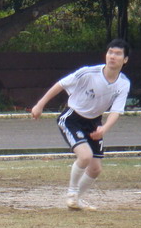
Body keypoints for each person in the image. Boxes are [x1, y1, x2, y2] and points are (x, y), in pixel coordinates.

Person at [31, 38, 131, 210]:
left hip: (94, 122)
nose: (112, 56)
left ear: (125, 59)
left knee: (95, 169)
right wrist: (40, 105)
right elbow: (60, 84)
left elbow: (116, 110)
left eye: (118, 54)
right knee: (85, 156)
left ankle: (77, 200)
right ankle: (72, 193)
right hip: (72, 118)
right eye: (110, 52)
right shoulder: (88, 73)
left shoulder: (123, 83)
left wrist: (104, 129)